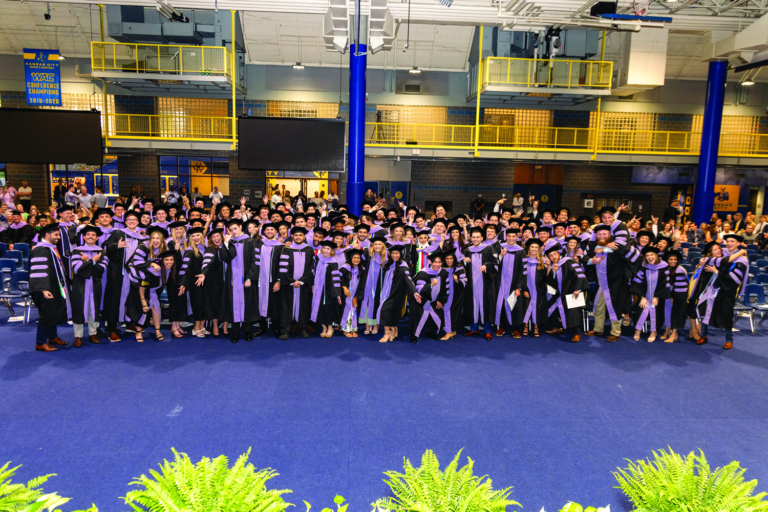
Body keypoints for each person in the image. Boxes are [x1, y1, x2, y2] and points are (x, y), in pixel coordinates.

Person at [29, 223, 71, 352]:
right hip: (45, 288)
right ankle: (40, 343)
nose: (58, 237)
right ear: (47, 234)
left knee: (53, 312)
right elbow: (39, 271)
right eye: (56, 235)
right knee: (46, 314)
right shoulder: (41, 249)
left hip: (53, 286)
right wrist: (44, 289)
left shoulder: (50, 248)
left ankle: (52, 337)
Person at [70, 225, 108, 347]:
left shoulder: (102, 252)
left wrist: (87, 261)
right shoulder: (76, 251)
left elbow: (101, 270)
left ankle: (92, 333)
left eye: (93, 235)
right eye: (88, 235)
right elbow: (77, 269)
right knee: (78, 309)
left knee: (94, 309)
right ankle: (78, 336)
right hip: (80, 285)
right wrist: (92, 261)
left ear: (97, 238)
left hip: (95, 284)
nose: (90, 237)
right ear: (84, 237)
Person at [543, 243, 589, 342]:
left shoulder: (569, 261)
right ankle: (558, 327)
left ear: (559, 254)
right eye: (550, 256)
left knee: (572, 311)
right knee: (550, 307)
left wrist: (578, 289)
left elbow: (580, 275)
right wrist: (553, 271)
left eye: (554, 254)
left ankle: (576, 333)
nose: (553, 257)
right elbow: (551, 283)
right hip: (560, 294)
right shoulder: (555, 266)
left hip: (572, 292)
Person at [462, 226, 499, 340]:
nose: (475, 239)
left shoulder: (489, 249)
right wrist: (464, 262)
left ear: (482, 238)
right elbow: (459, 267)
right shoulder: (467, 251)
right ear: (470, 238)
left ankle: (487, 331)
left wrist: (486, 265)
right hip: (471, 285)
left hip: (485, 284)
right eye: (473, 237)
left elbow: (496, 263)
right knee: (472, 305)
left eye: (478, 237)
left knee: (486, 305)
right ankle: (474, 329)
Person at [278, 226, 314, 340]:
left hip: (303, 285)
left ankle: (302, 329)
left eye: (300, 235)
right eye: (296, 235)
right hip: (289, 285)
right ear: (293, 236)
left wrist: (302, 281)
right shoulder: (286, 249)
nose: (298, 237)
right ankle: (285, 331)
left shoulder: (309, 250)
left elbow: (311, 268)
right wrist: (291, 282)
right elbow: (283, 268)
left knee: (303, 307)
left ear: (304, 237)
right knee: (286, 307)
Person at [630, 246, 669, 343]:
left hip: (658, 297)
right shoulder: (644, 268)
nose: (649, 257)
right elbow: (637, 283)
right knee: (641, 306)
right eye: (647, 255)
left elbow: (665, 284)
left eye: (651, 255)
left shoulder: (664, 267)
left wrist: (657, 296)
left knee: (656, 309)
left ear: (656, 255)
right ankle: (637, 330)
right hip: (645, 296)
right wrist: (642, 297)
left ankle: (653, 332)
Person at [376, 245, 414, 343]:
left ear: (400, 254)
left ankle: (387, 332)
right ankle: (393, 329)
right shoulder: (391, 264)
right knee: (391, 312)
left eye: (396, 253)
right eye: (392, 253)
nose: (394, 255)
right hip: (388, 293)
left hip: (397, 293)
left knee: (385, 310)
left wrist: (414, 292)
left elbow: (409, 280)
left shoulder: (403, 266)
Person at [409, 252, 447, 343]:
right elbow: (419, 289)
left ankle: (430, 331)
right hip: (421, 300)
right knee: (418, 313)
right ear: (430, 262)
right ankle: (414, 334)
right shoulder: (423, 273)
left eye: (439, 262)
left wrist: (441, 301)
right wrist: (431, 285)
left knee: (436, 309)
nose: (437, 265)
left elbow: (446, 289)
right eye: (435, 262)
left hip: (434, 300)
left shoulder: (443, 273)